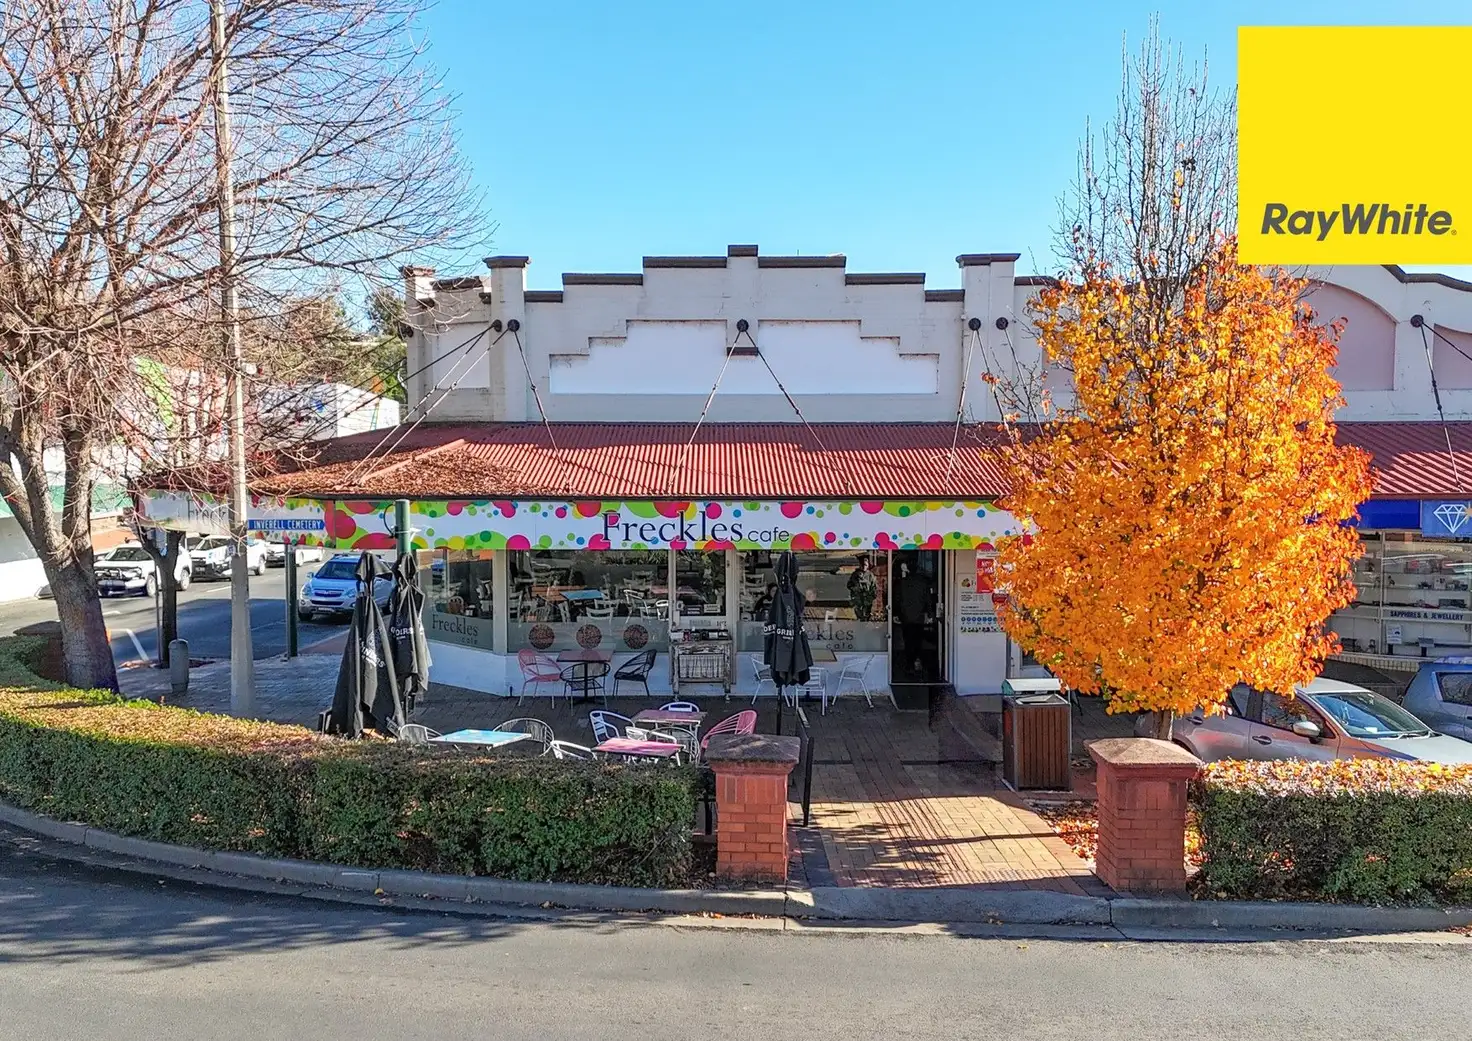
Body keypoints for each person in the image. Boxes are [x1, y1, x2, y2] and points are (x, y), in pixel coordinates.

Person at [846, 554, 879, 622]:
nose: (864, 566)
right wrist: (855, 588)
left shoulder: (870, 575)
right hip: (858, 600)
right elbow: (849, 585)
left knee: (866, 616)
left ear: (868, 566)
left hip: (867, 600)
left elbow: (874, 587)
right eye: (863, 565)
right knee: (859, 616)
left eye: (865, 565)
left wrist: (871, 596)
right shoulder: (855, 574)